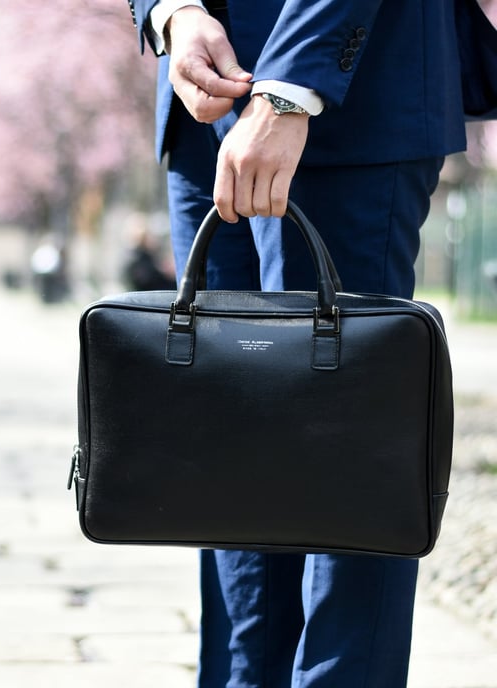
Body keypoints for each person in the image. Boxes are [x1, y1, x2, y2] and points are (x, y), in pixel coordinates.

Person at [125, 1, 497, 686]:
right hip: (201, 99)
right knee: (227, 453)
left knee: (352, 460)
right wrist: (172, 14)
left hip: (351, 93)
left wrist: (290, 89)